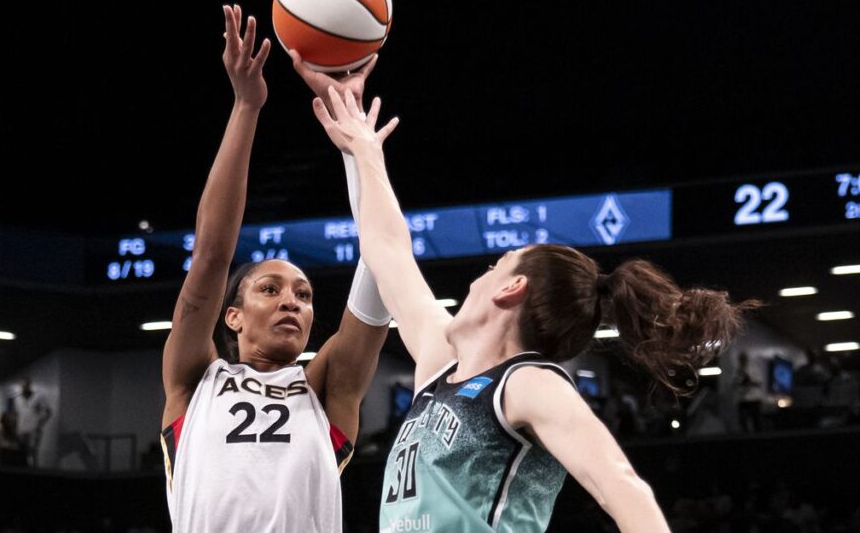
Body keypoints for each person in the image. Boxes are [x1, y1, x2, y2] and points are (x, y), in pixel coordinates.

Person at [311, 87, 757, 532]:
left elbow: (620, 486)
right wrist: (361, 149)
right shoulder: (440, 368)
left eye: (496, 264)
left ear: (512, 288)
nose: (480, 274)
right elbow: (385, 248)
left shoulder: (528, 384)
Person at [158, 6, 389, 532]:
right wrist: (246, 105)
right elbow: (213, 257)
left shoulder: (327, 388)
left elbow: (381, 269)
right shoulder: (196, 379)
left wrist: (357, 141)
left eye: (305, 296)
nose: (293, 301)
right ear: (233, 316)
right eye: (270, 289)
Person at [11, 378, 51, 466]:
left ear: (30, 385)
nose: (24, 387)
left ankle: (34, 470)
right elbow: (15, 414)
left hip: (33, 430)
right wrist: (14, 429)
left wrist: (40, 425)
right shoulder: (17, 399)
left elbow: (49, 412)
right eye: (23, 386)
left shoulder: (38, 397)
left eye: (26, 385)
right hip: (21, 430)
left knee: (32, 452)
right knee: (21, 453)